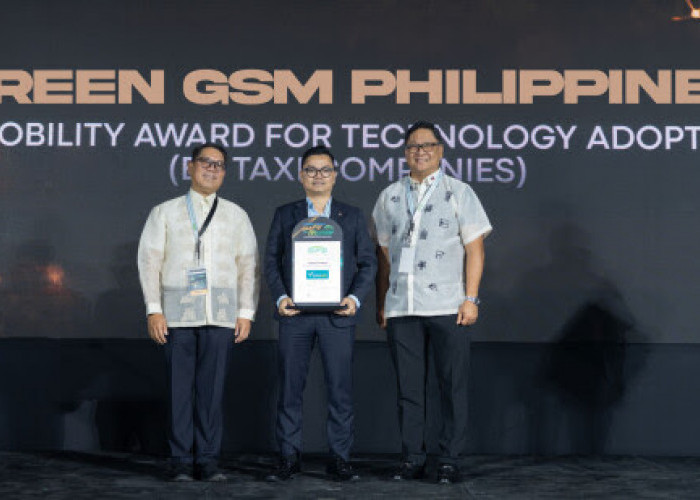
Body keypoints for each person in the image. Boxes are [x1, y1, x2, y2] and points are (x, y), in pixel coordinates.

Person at [372, 121, 492, 484]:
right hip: (402, 307)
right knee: (408, 389)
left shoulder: (459, 192)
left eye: (427, 145)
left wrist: (471, 298)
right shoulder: (390, 195)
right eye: (413, 146)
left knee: (451, 387)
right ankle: (412, 457)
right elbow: (383, 255)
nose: (420, 151)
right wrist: (382, 302)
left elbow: (475, 248)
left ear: (440, 150)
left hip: (448, 306)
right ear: (405, 153)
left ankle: (449, 459)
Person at [137, 143, 259, 481]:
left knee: (212, 391)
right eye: (205, 162)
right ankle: (179, 459)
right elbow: (149, 263)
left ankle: (207, 460)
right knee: (178, 390)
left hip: (221, 315)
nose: (212, 169)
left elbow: (248, 266)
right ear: (189, 167)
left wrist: (246, 312)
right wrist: (153, 310)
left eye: (219, 165)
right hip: (176, 315)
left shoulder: (236, 214)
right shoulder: (164, 212)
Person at [264, 145, 376, 482]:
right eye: (311, 170)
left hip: (337, 316)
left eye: (325, 170)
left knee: (340, 390)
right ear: (301, 176)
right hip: (294, 315)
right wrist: (280, 296)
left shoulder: (352, 216)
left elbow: (368, 263)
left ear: (335, 175)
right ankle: (288, 457)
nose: (318, 176)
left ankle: (340, 458)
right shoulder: (285, 214)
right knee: (289, 390)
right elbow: (271, 260)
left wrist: (354, 298)